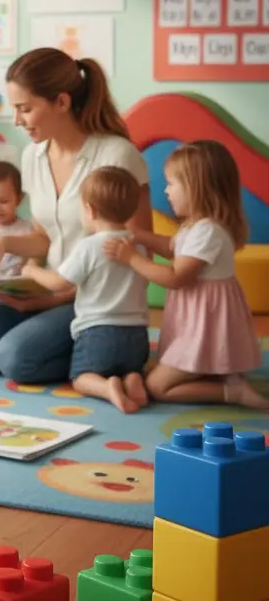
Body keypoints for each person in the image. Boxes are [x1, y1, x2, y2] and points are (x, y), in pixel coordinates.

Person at [0, 48, 151, 385]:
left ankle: (105, 357)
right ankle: (83, 354)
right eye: (15, 109)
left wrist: (55, 297)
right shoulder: (33, 156)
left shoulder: (117, 156)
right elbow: (45, 238)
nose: (17, 120)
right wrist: (4, 243)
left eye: (25, 109)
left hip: (94, 300)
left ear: (61, 102)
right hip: (46, 288)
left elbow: (139, 252)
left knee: (14, 357)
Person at [105, 140, 266, 409]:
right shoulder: (195, 226)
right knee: (156, 370)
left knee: (157, 386)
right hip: (198, 317)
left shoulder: (208, 231)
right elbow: (172, 247)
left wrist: (132, 258)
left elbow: (176, 278)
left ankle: (231, 392)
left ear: (197, 187)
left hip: (204, 322)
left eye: (171, 183)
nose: (166, 190)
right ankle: (218, 374)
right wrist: (139, 235)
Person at [21, 167, 150, 413]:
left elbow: (60, 283)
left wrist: (32, 271)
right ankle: (132, 377)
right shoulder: (137, 248)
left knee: (80, 378)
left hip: (98, 333)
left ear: (90, 210)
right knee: (128, 366)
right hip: (137, 335)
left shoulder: (89, 246)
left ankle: (107, 388)